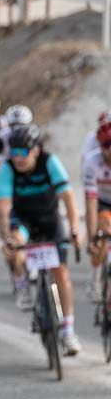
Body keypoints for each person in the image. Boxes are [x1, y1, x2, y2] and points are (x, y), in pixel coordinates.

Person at [0, 125, 82, 354]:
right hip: (22, 220)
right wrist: (6, 239)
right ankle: (22, 283)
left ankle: (68, 331)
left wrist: (74, 227)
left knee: (60, 272)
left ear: (36, 150)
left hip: (50, 219)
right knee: (16, 246)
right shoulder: (7, 168)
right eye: (14, 153)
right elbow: (3, 209)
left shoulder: (49, 161)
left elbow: (68, 196)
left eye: (24, 153)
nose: (18, 158)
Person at [81, 120, 111, 301]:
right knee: (103, 232)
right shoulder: (92, 161)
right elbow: (90, 203)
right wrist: (92, 237)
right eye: (107, 145)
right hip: (101, 203)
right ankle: (95, 276)